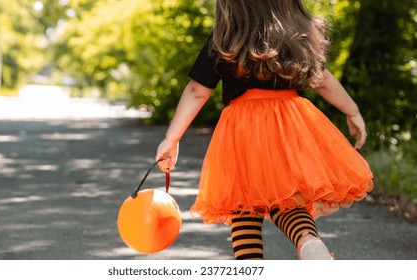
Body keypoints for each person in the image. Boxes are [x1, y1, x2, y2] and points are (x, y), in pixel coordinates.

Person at [155, 0, 373, 260]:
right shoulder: (297, 33)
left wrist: (172, 137)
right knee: (288, 200)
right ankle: (308, 240)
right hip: (290, 123)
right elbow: (322, 80)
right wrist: (353, 111)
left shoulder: (225, 38)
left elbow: (197, 91)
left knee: (243, 208)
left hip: (243, 129)